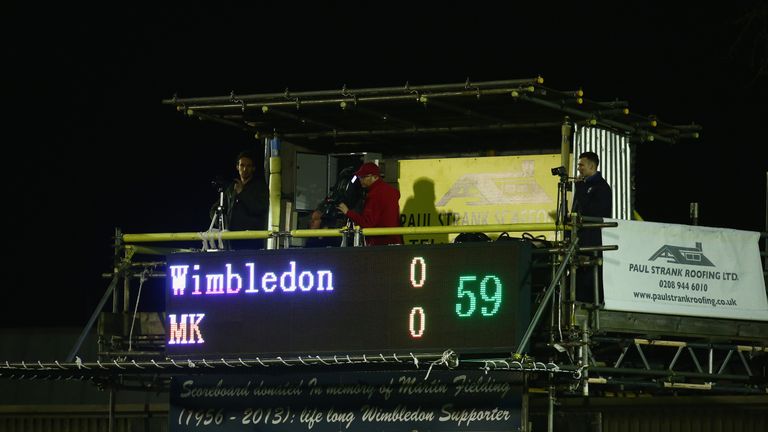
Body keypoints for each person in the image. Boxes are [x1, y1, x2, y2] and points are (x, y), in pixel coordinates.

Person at [572, 151, 612, 302]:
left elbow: (592, 212)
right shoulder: (585, 186)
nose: (579, 168)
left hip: (592, 243)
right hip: (580, 240)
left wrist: (580, 188)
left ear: (592, 166)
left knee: (590, 277)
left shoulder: (601, 188)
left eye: (581, 165)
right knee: (580, 277)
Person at [210, 150, 269, 249]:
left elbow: (260, 208)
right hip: (231, 240)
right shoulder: (232, 188)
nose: (245, 169)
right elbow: (214, 210)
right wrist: (221, 223)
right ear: (237, 167)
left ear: (253, 168)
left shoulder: (260, 187)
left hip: (251, 241)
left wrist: (242, 193)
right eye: (242, 165)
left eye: (249, 166)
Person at [337, 162, 403, 246]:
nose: (360, 180)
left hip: (379, 244)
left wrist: (348, 212)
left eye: (363, 177)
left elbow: (368, 223)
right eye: (359, 177)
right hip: (394, 241)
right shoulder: (389, 190)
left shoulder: (375, 194)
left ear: (374, 177)